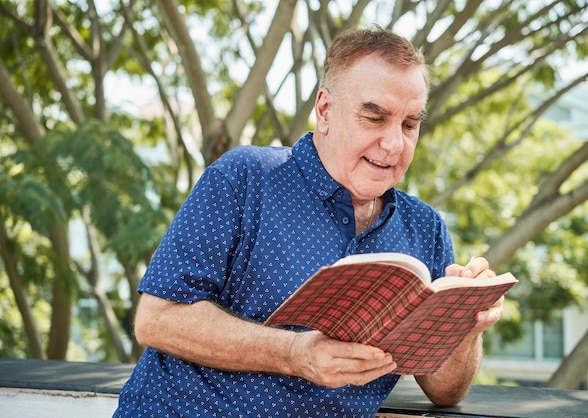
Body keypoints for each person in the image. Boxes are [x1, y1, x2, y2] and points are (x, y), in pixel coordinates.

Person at [114, 25, 504, 417]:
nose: (394, 144)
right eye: (374, 117)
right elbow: (157, 319)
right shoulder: (245, 176)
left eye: (409, 124)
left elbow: (444, 392)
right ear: (325, 110)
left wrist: (467, 325)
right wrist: (293, 354)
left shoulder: (426, 228)